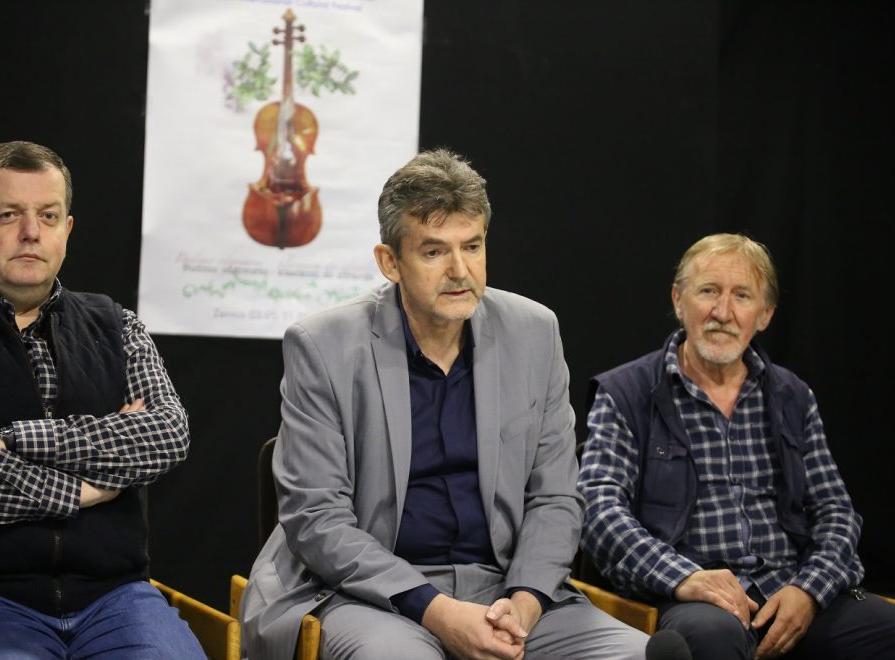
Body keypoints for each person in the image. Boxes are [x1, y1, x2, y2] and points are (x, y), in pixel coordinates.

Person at [241, 149, 648, 660]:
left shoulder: (535, 332)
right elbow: (317, 518)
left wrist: (524, 604)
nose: (460, 271)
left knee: (637, 654)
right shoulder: (323, 345)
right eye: (434, 252)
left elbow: (556, 498)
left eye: (472, 246)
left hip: (505, 588)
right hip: (364, 594)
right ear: (390, 262)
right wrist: (438, 611)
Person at [0, 141, 204, 659]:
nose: (31, 232)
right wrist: (82, 492)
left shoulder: (117, 324)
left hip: (116, 595)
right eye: (9, 215)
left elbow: (166, 435)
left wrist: (14, 441)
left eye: (48, 216)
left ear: (66, 230)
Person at [578, 233, 895, 660]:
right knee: (711, 638)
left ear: (764, 314)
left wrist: (809, 590)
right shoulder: (626, 393)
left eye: (742, 296)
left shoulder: (792, 395)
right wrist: (684, 577)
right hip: (690, 595)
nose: (723, 312)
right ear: (678, 301)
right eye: (708, 291)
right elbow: (598, 511)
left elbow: (835, 512)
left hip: (789, 587)